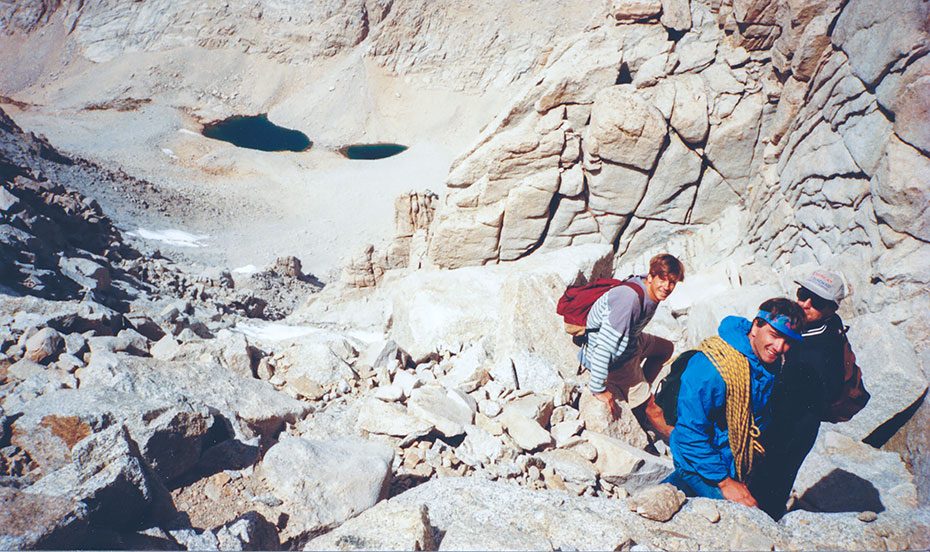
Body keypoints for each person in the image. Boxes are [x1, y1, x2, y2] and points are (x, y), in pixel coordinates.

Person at [749, 269, 868, 519]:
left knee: (766, 486)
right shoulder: (823, 326)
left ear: (832, 309)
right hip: (796, 422)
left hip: (789, 428)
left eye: (818, 302)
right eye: (803, 294)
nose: (805, 304)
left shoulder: (814, 352)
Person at [664, 298, 805, 507]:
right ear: (756, 326)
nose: (780, 347)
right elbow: (689, 434)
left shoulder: (766, 363)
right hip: (698, 463)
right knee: (746, 518)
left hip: (730, 462)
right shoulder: (712, 370)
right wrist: (725, 482)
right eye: (775, 336)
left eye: (788, 341)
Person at [579, 253, 684, 439]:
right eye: (663, 279)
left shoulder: (648, 286)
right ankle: (687, 448)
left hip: (630, 341)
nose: (667, 287)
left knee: (666, 349)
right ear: (651, 277)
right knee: (654, 409)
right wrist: (598, 388)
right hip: (616, 358)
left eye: (672, 282)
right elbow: (605, 345)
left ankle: (638, 399)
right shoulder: (630, 299)